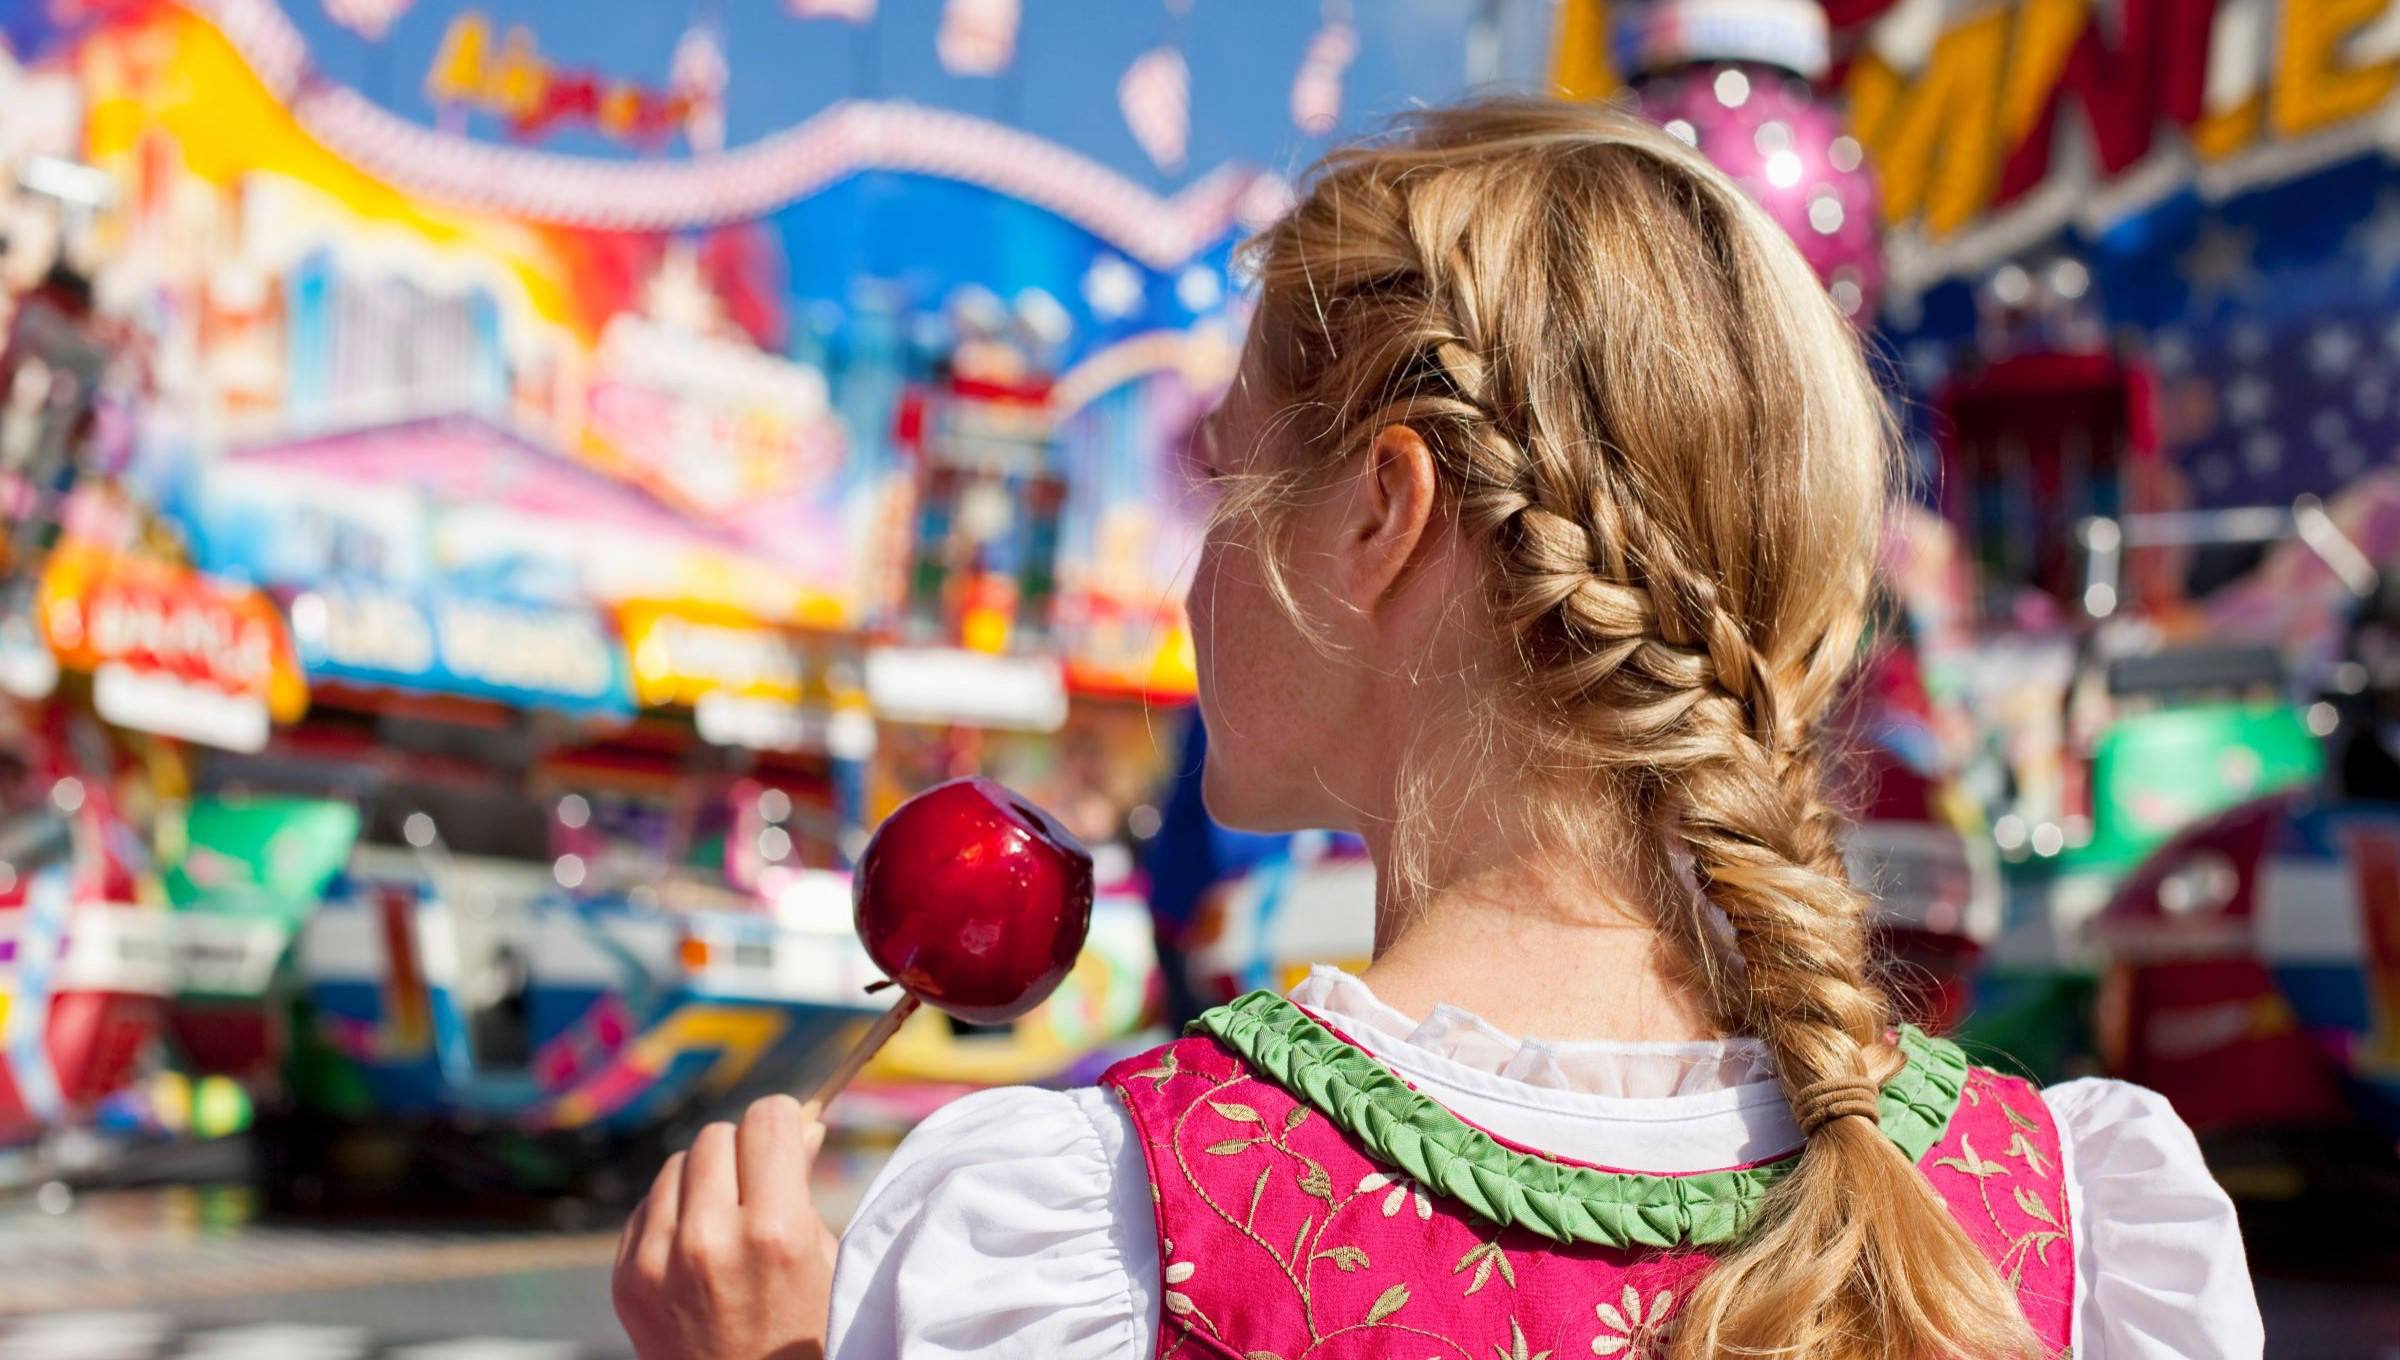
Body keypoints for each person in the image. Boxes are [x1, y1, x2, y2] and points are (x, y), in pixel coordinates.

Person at [611, 99, 2260, 1360]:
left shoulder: (1100, 1227)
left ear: (1378, 516)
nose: (1195, 569)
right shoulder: (2073, 1223)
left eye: (1229, 477)